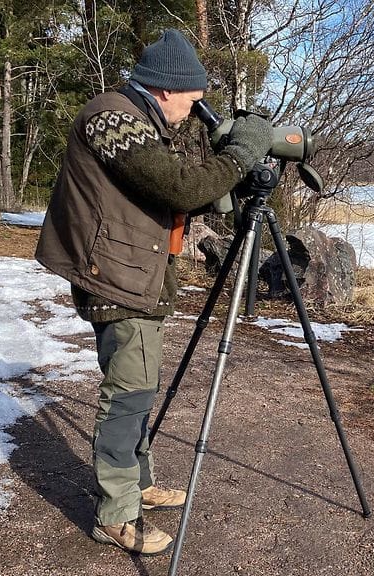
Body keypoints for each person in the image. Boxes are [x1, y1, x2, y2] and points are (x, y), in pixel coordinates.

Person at [35, 29, 271, 555]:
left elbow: (171, 194)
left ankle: (137, 483)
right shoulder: (112, 117)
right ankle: (117, 514)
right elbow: (178, 187)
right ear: (167, 89)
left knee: (139, 387)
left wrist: (225, 180)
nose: (196, 108)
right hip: (116, 276)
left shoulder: (142, 122)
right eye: (193, 98)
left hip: (136, 274)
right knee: (128, 395)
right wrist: (240, 153)